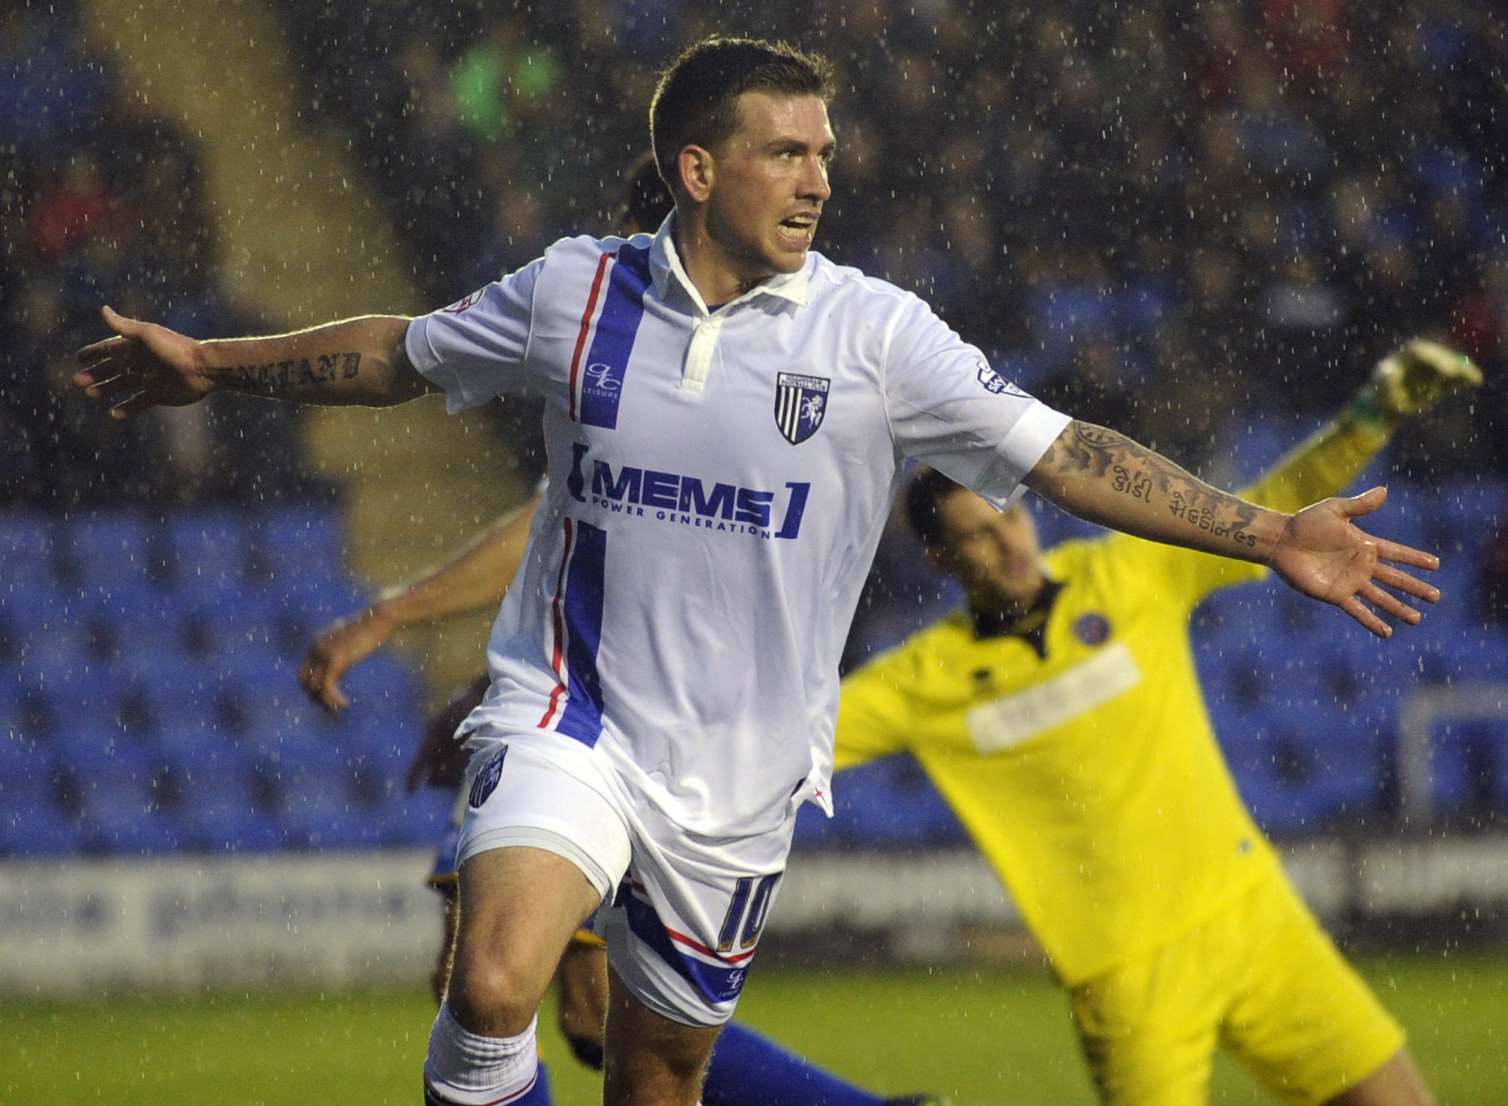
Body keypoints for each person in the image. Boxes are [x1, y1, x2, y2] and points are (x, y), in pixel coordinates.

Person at [73, 36, 1440, 1106]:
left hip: (739, 775)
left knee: (662, 1072)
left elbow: (1066, 447)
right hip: (573, 710)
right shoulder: (574, 293)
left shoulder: (877, 334)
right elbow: (400, 352)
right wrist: (212, 364)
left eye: (825, 153)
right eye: (785, 152)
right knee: (496, 979)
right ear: (697, 169)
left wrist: (1268, 531)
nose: (819, 177)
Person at [303, 342, 1476, 1106]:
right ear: (941, 555)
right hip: (1128, 976)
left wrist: (1374, 407)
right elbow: (757, 719)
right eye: (973, 534)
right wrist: (556, 692)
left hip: (1255, 913)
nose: (1006, 541)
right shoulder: (921, 680)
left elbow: (1272, 507)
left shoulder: (1134, 585)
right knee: (596, 1013)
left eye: (1008, 519)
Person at [309, 151, 943, 1106]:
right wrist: (407, 625)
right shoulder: (634, 344)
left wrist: (396, 618)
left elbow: (570, 531)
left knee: (576, 1009)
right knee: (516, 993)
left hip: (668, 723)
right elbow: (558, 522)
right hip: (576, 712)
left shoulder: (751, 352)